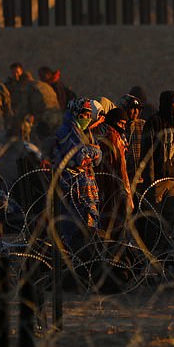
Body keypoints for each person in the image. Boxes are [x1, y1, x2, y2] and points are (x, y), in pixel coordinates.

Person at [139, 90, 174, 255]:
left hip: (172, 180)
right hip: (157, 181)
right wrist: (150, 181)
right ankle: (149, 256)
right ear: (167, 104)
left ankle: (162, 256)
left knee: (168, 222)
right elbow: (147, 154)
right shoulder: (154, 122)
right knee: (154, 221)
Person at [53, 97, 102, 250]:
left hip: (87, 190)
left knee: (88, 231)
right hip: (73, 188)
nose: (86, 119)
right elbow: (80, 157)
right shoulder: (66, 131)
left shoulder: (85, 132)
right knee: (74, 232)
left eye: (88, 115)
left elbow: (98, 159)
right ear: (75, 113)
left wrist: (92, 151)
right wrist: (93, 150)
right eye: (83, 116)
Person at [95, 108, 133, 238]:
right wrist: (127, 194)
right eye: (120, 124)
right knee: (117, 229)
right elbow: (120, 168)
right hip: (115, 189)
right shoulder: (114, 138)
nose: (122, 127)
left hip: (105, 189)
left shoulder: (102, 135)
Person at [119, 94, 145, 186]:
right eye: (132, 108)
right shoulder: (119, 126)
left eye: (138, 109)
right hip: (124, 176)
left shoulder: (143, 125)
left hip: (141, 176)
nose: (135, 112)